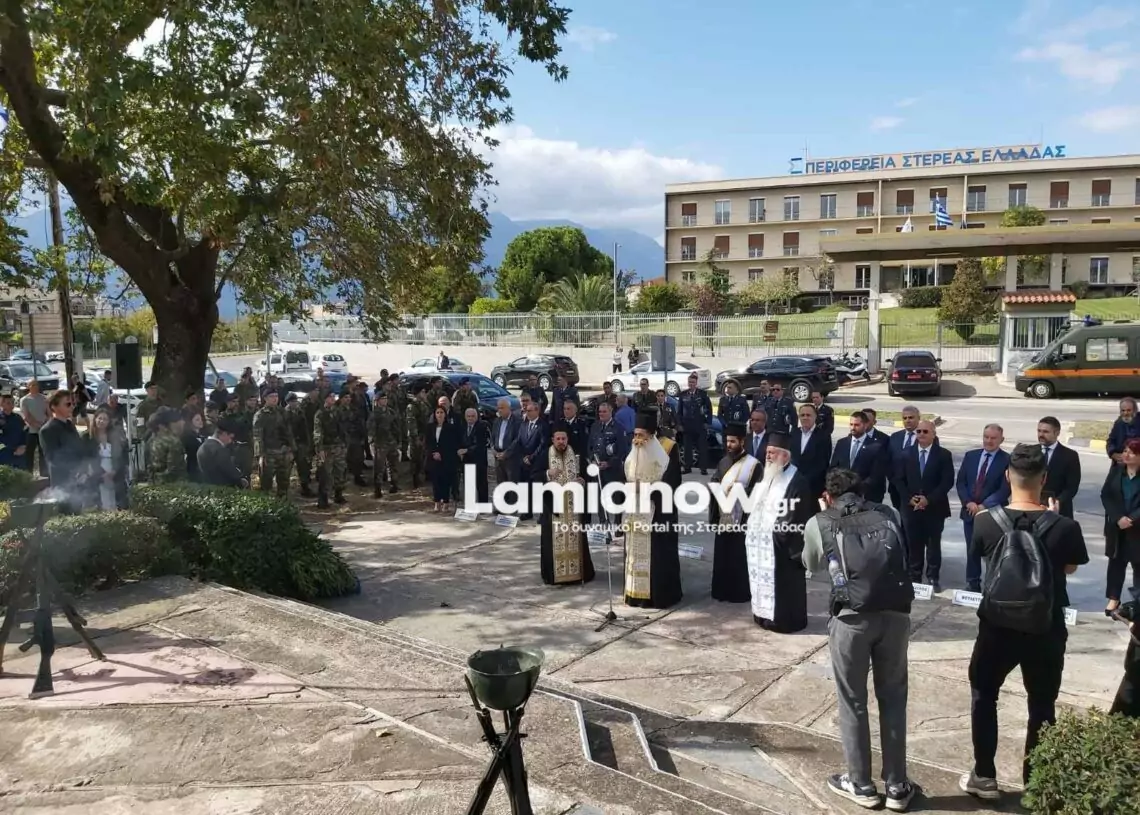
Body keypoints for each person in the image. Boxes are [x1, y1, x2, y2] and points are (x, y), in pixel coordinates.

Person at [961, 444, 1089, 800]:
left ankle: (984, 775)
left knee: (984, 695)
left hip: (997, 626)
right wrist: (1053, 520)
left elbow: (982, 558)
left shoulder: (985, 521)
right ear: (1044, 479)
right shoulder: (1065, 526)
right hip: (1045, 627)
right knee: (1042, 704)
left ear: (1007, 476)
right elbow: (1070, 567)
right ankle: (1036, 785)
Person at [804, 467, 919, 811]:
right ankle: (897, 785)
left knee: (853, 701)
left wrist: (822, 517)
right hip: (895, 616)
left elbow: (812, 563)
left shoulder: (820, 521)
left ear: (828, 495)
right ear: (863, 493)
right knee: (893, 698)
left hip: (850, 618)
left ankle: (861, 784)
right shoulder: (888, 514)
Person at [743, 434, 814, 633]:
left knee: (784, 587)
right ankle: (762, 615)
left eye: (773, 453)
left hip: (783, 547)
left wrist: (773, 534)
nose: (768, 457)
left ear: (785, 456)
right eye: (767, 452)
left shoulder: (797, 481)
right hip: (761, 543)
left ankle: (783, 620)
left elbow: (795, 516)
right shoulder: (766, 476)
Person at [623, 410, 683, 609]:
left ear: (650, 436)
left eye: (641, 435)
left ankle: (658, 596)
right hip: (635, 513)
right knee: (634, 555)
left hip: (658, 514)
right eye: (635, 435)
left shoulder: (667, 450)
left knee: (657, 557)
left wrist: (645, 489)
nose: (637, 440)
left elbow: (672, 483)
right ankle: (634, 594)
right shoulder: (632, 455)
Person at [893, 420, 953, 592]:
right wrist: (909, 499)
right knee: (913, 544)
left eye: (925, 431)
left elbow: (947, 481)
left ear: (933, 434)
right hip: (911, 508)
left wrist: (929, 499)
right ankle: (915, 576)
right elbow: (898, 480)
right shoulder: (905, 454)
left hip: (934, 508)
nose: (921, 434)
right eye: (918, 431)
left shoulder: (943, 455)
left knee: (933, 544)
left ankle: (933, 577)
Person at [537, 422, 595, 586]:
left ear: (568, 439)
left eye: (563, 438)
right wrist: (547, 473)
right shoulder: (545, 455)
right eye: (558, 439)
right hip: (553, 509)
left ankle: (578, 574)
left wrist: (583, 480)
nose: (561, 442)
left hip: (574, 508)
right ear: (553, 439)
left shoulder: (576, 455)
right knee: (552, 542)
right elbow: (533, 476)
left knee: (577, 540)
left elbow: (587, 475)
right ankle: (554, 575)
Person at [956, 424, 1011, 592]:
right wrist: (968, 502)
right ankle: (972, 583)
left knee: (993, 552)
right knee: (972, 549)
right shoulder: (971, 456)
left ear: (1001, 440)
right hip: (970, 512)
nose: (989, 441)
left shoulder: (1007, 460)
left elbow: (1005, 489)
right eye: (986, 437)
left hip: (993, 514)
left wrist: (984, 506)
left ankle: (992, 585)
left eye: (993, 438)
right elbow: (961, 482)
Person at [710, 423, 761, 603]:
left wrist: (739, 492)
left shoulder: (754, 465)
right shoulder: (723, 461)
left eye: (733, 441)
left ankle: (738, 593)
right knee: (722, 556)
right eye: (727, 441)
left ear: (742, 442)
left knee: (738, 558)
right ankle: (721, 591)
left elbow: (758, 492)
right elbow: (714, 480)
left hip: (742, 521)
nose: (729, 445)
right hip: (724, 517)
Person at [1101, 438, 1140, 616]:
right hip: (1117, 527)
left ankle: (1138, 600)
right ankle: (1113, 598)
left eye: (1131, 452)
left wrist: (1132, 519)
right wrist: (1118, 518)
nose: (1126, 455)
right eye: (1125, 451)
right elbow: (1106, 495)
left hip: (1136, 527)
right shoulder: (1117, 472)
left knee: (1138, 564)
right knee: (1116, 563)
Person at [39, 389, 88, 496]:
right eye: (68, 404)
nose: (72, 407)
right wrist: (74, 470)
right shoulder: (48, 430)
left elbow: (79, 449)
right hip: (62, 483)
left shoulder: (70, 425)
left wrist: (84, 467)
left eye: (73, 403)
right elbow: (54, 459)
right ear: (54, 407)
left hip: (79, 480)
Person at [832, 412, 887, 503]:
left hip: (866, 496)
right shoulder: (842, 443)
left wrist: (858, 488)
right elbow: (834, 468)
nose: (853, 428)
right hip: (842, 494)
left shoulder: (876, 447)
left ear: (865, 425)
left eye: (857, 425)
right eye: (851, 424)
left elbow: (876, 474)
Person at [586, 401, 626, 529]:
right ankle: (603, 522)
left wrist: (609, 463)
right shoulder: (595, 426)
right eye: (600, 412)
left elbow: (622, 450)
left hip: (612, 470)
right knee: (599, 497)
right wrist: (592, 460)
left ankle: (618, 524)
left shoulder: (619, 427)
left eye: (604, 411)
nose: (601, 414)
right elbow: (590, 446)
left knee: (616, 497)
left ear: (611, 412)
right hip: (598, 469)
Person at [253, 390, 295, 497]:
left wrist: (292, 449)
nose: (275, 398)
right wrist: (260, 455)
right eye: (271, 396)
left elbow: (289, 432)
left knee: (284, 481)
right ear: (265, 399)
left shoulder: (282, 411)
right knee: (266, 482)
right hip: (269, 453)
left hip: (283, 451)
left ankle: (283, 502)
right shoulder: (260, 415)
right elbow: (258, 436)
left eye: (276, 396)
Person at [86, 404, 129, 509]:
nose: (101, 421)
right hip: (98, 472)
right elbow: (87, 458)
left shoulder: (114, 436)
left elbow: (121, 455)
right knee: (103, 501)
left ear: (109, 422)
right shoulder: (87, 437)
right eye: (99, 418)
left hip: (115, 471)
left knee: (117, 500)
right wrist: (102, 473)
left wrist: (114, 470)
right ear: (95, 419)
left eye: (105, 419)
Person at [1038, 416, 1081, 519]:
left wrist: (1057, 502)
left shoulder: (1070, 456)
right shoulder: (1031, 452)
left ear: (1057, 433)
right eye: (1039, 431)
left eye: (1045, 432)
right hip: (1034, 509)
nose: (1041, 435)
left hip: (1060, 512)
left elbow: (1072, 487)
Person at [313, 391, 348, 507]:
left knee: (340, 471)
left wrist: (344, 444)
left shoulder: (337, 411)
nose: (333, 399)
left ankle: (338, 495)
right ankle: (323, 500)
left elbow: (343, 429)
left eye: (334, 397)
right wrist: (320, 448)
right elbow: (318, 432)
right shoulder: (320, 414)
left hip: (339, 446)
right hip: (326, 448)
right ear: (325, 399)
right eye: (330, 397)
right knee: (326, 475)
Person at [791, 403, 832, 500]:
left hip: (813, 487)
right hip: (793, 486)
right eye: (802, 415)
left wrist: (804, 481)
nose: (805, 418)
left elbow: (823, 463)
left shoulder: (824, 436)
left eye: (808, 415)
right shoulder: (794, 433)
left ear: (815, 417)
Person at [517, 401, 548, 520]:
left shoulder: (543, 425)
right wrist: (523, 457)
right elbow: (519, 441)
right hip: (524, 462)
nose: (527, 413)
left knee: (538, 488)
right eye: (526, 411)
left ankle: (542, 515)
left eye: (530, 411)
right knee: (525, 487)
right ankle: (527, 512)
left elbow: (543, 445)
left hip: (537, 462)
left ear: (537, 411)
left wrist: (531, 457)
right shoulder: (523, 425)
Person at [426, 404, 459, 512]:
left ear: (445, 414)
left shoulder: (450, 428)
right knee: (436, 482)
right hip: (433, 459)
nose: (439, 415)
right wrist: (433, 453)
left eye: (442, 412)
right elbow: (428, 443)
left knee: (445, 481)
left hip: (446, 459)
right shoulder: (430, 427)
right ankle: (437, 502)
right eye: (437, 412)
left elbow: (452, 444)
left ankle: (445, 502)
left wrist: (442, 454)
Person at [197, 416, 248, 487]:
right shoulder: (219, 450)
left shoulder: (202, 447)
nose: (230, 441)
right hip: (224, 488)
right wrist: (242, 481)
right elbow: (231, 474)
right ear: (223, 433)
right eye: (231, 437)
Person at [368, 391, 401, 497]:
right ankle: (377, 488)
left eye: (386, 399)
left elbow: (396, 426)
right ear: (377, 401)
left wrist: (398, 439)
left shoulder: (391, 412)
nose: (385, 401)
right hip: (380, 443)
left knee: (393, 464)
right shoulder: (374, 414)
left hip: (391, 442)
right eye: (382, 399)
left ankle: (394, 484)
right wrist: (373, 442)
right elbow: (371, 430)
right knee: (379, 467)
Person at [887, 407, 921, 509]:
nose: (907, 420)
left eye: (911, 417)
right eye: (904, 418)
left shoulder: (925, 436)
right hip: (896, 489)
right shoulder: (895, 437)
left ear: (918, 418)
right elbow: (889, 461)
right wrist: (893, 479)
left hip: (917, 491)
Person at [678, 372, 711, 475]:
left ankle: (703, 468)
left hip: (700, 424)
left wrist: (707, 422)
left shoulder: (702, 394)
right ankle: (687, 467)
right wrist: (680, 424)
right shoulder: (683, 394)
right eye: (689, 382)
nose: (691, 384)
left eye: (693, 382)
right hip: (687, 425)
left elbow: (709, 409)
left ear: (696, 383)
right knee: (687, 447)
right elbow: (679, 411)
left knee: (702, 447)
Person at [147, 406, 188, 483]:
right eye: (179, 421)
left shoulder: (151, 440)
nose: (183, 423)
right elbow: (174, 471)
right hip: (172, 485)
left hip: (154, 483)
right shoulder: (173, 442)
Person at [459, 407, 490, 505]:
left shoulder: (482, 427)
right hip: (467, 460)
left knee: (481, 485)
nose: (470, 418)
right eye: (468, 416)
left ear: (477, 417)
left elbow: (481, 444)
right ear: (465, 417)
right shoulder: (462, 427)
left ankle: (483, 507)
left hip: (479, 461)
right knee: (469, 484)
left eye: (473, 416)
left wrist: (467, 450)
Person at [19, 379, 48, 475]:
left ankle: (43, 475)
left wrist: (45, 425)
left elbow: (49, 413)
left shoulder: (44, 399)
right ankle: (29, 475)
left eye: (36, 384)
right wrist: (37, 425)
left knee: (43, 453)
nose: (35, 387)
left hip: (43, 431)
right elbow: (26, 417)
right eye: (33, 385)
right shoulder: (24, 400)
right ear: (28, 387)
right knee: (29, 454)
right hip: (31, 431)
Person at [491, 397, 521, 486]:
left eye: (502, 408)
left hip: (510, 459)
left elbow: (517, 439)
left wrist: (506, 453)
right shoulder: (497, 421)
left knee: (511, 485)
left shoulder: (517, 421)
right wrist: (493, 449)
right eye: (498, 408)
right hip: (498, 457)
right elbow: (493, 437)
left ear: (509, 408)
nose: (499, 410)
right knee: (500, 484)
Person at [0, 393, 28, 469]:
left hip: (19, 454)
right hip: (4, 454)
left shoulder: (17, 418)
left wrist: (23, 446)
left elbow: (24, 433)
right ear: (1, 404)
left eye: (13, 402)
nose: (11, 405)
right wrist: (12, 449)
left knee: (21, 474)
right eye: (8, 403)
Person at [182, 410, 209, 483]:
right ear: (190, 422)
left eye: (201, 419)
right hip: (193, 469)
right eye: (197, 420)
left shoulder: (203, 436)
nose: (201, 421)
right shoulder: (188, 438)